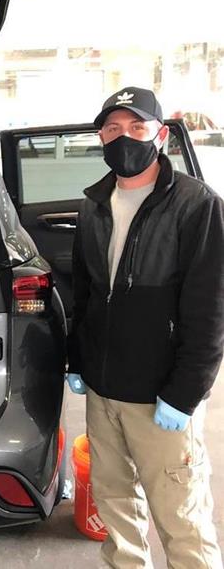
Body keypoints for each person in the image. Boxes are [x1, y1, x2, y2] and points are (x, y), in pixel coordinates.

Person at [66, 86, 224, 569]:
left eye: (137, 128)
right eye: (113, 128)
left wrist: (185, 393)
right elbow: (86, 294)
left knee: (181, 517)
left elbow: (210, 310)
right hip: (105, 389)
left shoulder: (196, 205)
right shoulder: (94, 204)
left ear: (160, 135)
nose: (124, 138)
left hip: (161, 395)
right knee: (116, 507)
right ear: (101, 136)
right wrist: (79, 359)